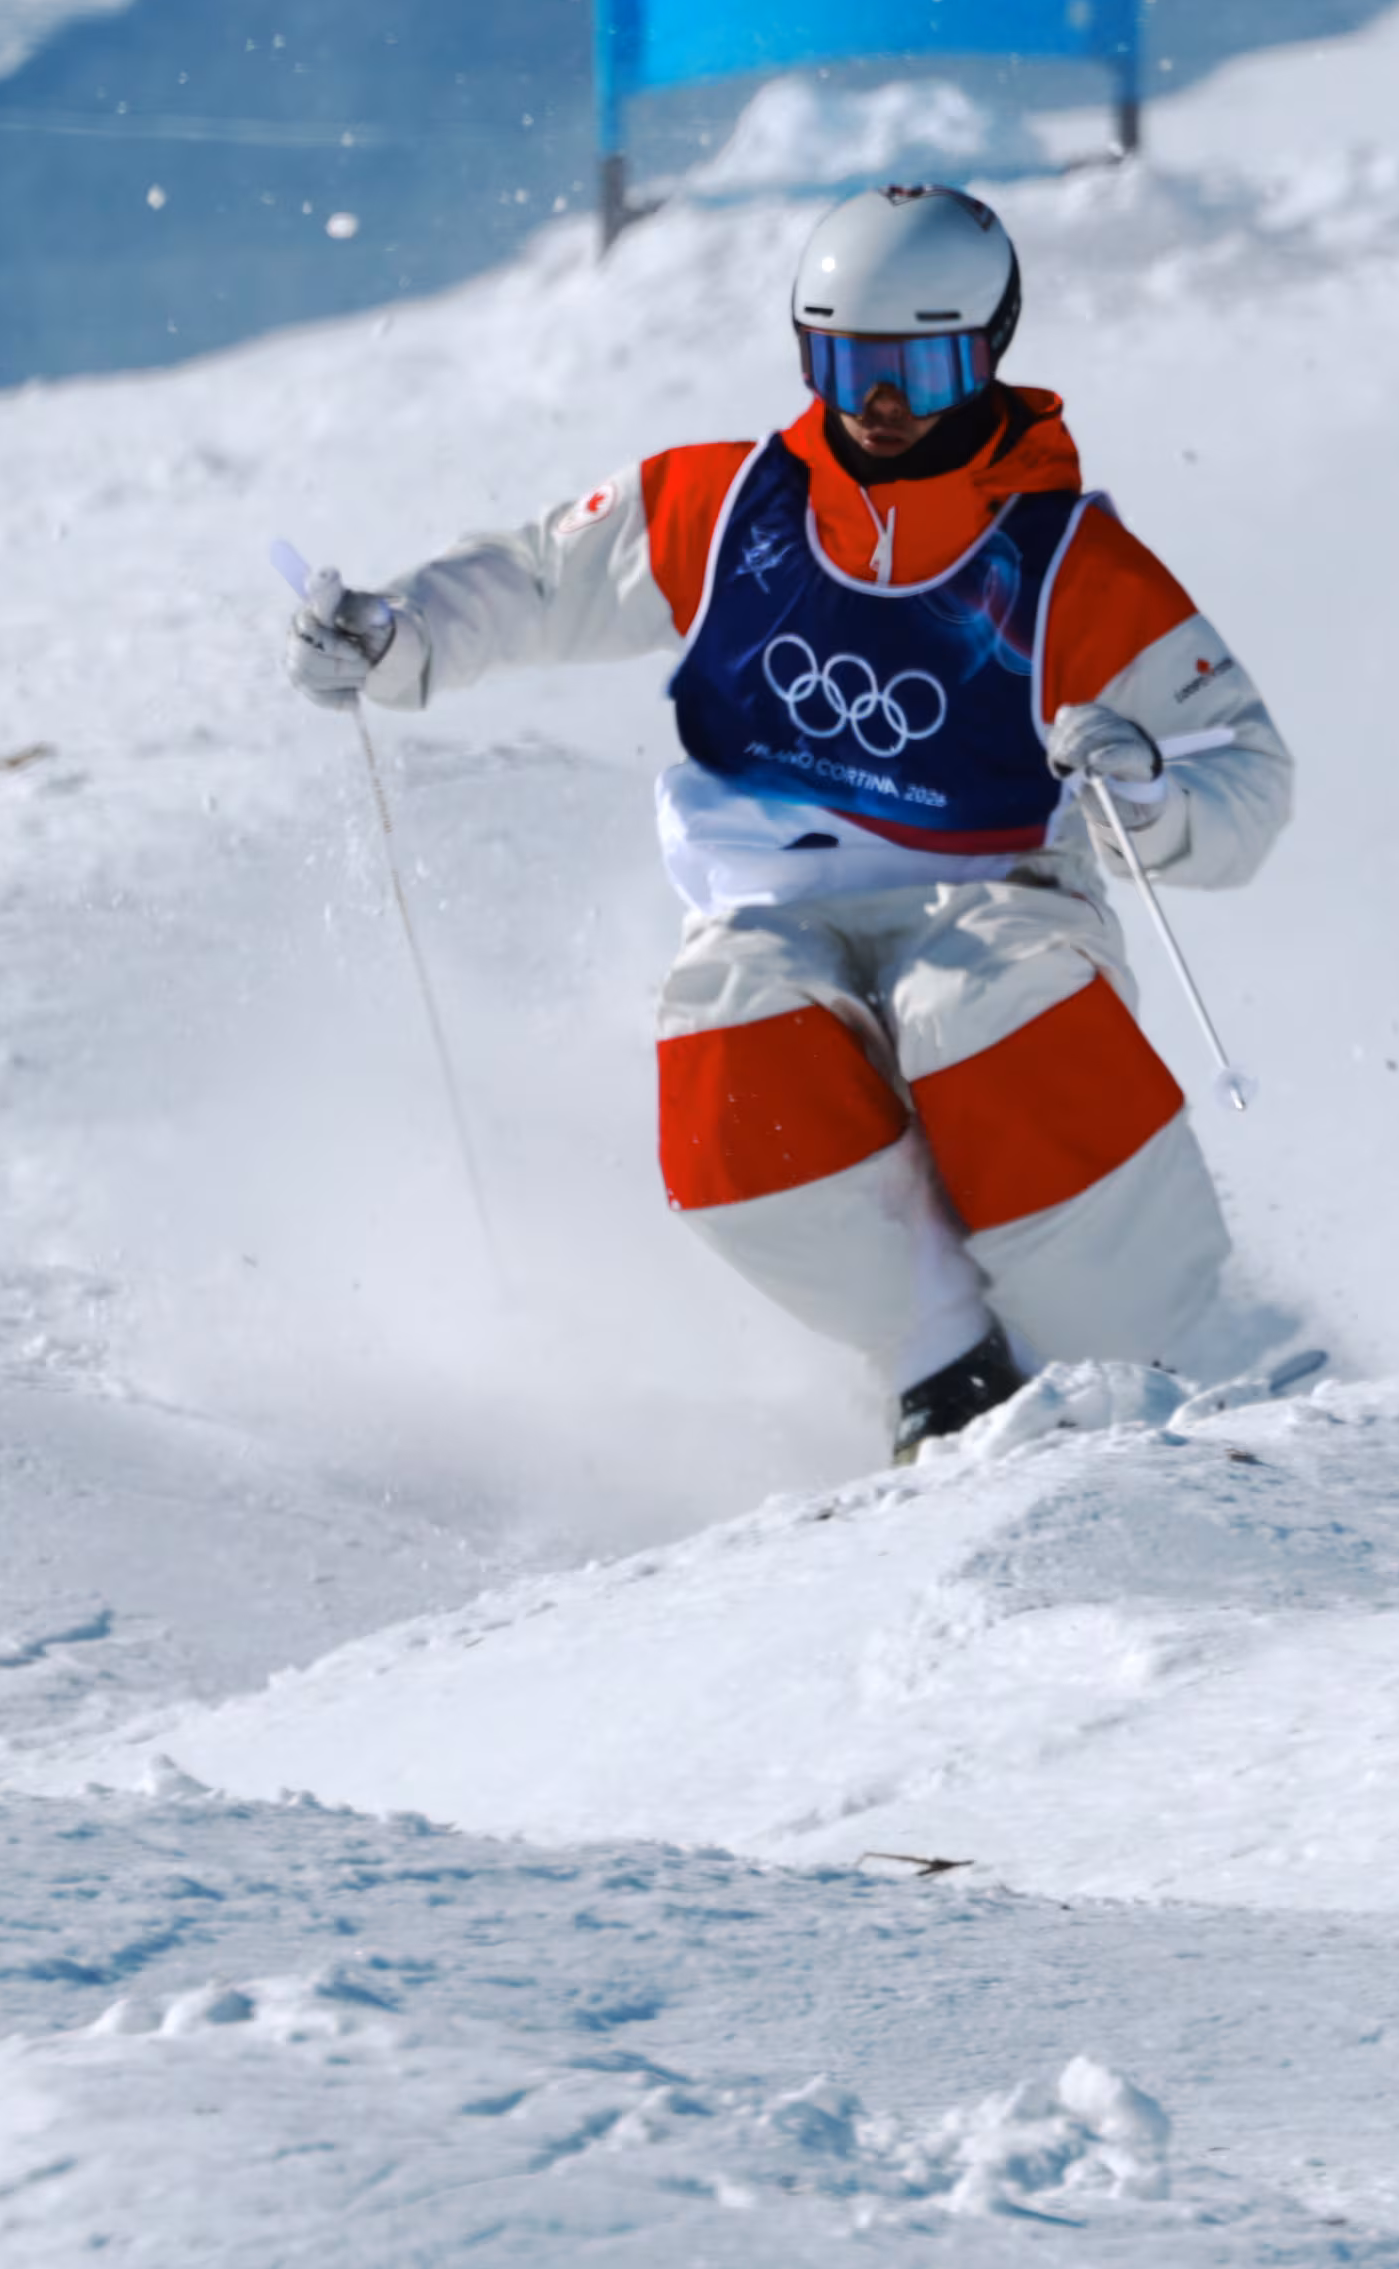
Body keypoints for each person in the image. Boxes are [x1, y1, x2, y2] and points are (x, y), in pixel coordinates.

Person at [281, 185, 1296, 1460]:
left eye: (919, 370)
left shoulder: (1066, 564)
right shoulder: (729, 506)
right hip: (776, 902)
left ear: (986, 352)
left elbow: (1246, 774)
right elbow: (541, 580)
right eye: (847, 365)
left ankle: (1150, 1347)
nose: (879, 406)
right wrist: (400, 635)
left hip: (996, 893)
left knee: (978, 1014)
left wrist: (1145, 790)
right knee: (729, 1034)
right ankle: (943, 1370)